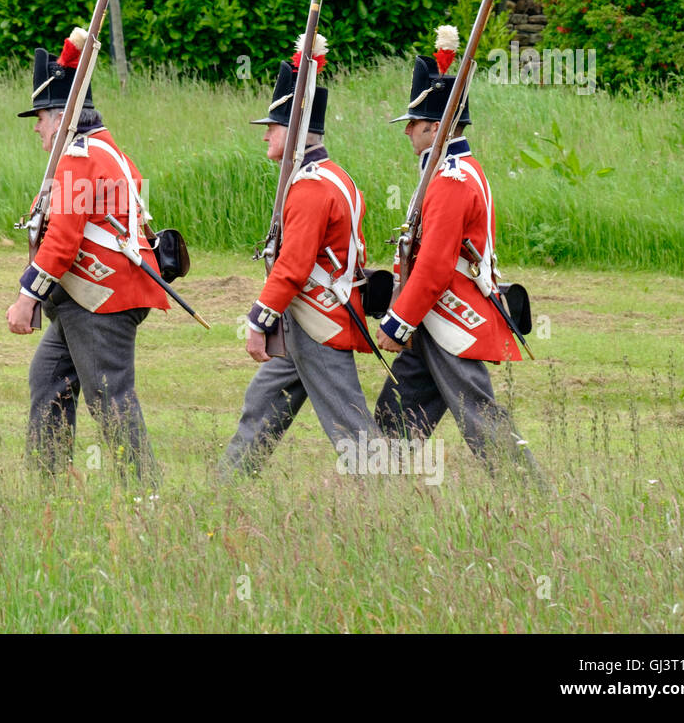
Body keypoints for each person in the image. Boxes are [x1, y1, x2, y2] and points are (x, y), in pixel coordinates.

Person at [374, 26, 543, 481]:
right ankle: (370, 494)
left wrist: (396, 320)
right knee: (395, 411)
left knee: (480, 419)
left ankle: (532, 494)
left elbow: (433, 265)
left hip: (452, 315)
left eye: (414, 122)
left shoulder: (450, 179)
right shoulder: (451, 170)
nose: (408, 130)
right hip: (434, 316)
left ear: (434, 126)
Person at [6, 27, 168, 484]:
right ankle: (47, 484)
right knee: (48, 379)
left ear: (60, 116)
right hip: (94, 295)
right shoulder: (101, 147)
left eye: (40, 116)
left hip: (103, 298)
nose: (36, 126)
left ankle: (146, 493)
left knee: (110, 398)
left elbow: (62, 241)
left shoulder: (78, 155)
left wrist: (27, 297)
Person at [220, 35, 383, 476]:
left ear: (294, 131)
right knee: (262, 403)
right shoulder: (332, 176)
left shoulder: (311, 187)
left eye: (272, 127)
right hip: (310, 317)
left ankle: (386, 497)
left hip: (317, 318)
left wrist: (257, 321)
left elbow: (292, 267)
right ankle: (225, 488)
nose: (266, 136)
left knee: (349, 425)